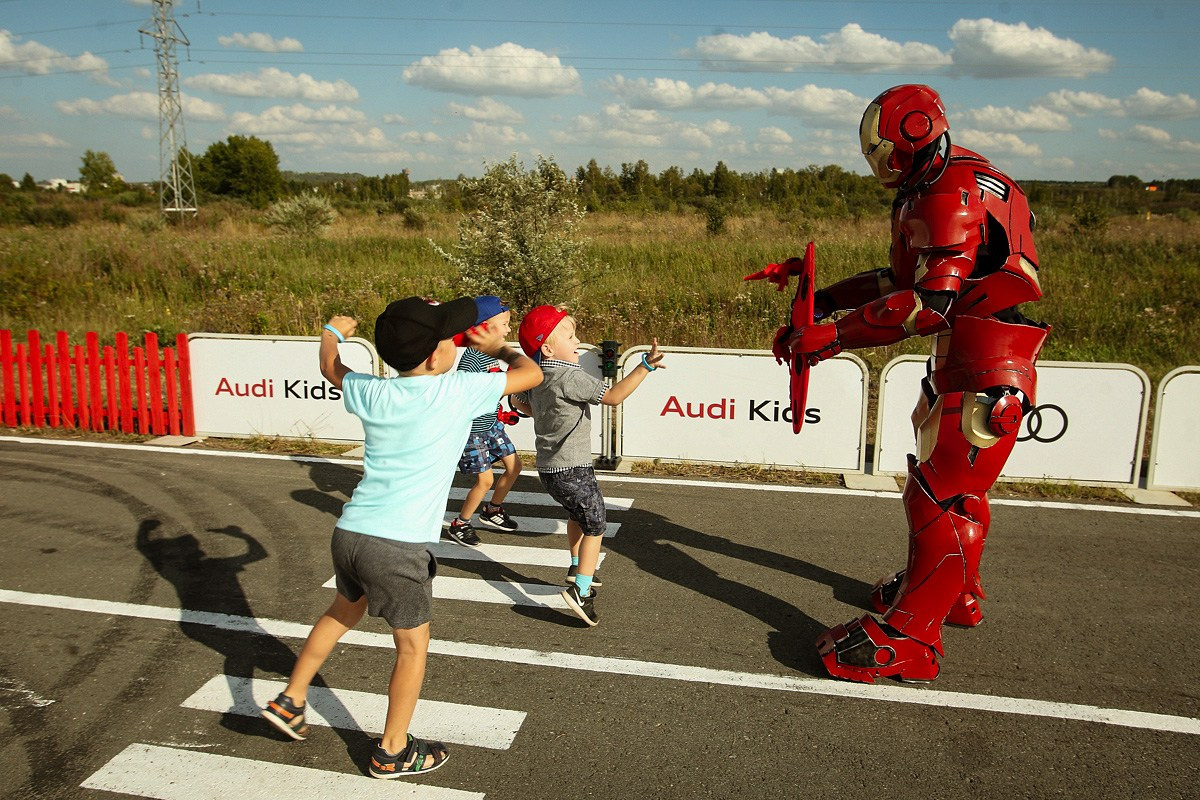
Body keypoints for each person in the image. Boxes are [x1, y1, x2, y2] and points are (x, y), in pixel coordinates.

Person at [772, 84, 1048, 682]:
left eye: (888, 153)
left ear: (917, 133)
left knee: (938, 495)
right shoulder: (951, 180)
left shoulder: (948, 192)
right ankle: (955, 594)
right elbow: (894, 280)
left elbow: (926, 304)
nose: (883, 167)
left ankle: (910, 636)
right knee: (953, 488)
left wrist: (833, 335)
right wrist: (819, 302)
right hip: (982, 351)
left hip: (985, 356)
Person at [260, 297, 542, 777]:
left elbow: (331, 364)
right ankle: (393, 750)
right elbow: (531, 374)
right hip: (398, 547)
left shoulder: (374, 391)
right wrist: (499, 347)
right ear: (435, 356)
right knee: (412, 648)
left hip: (351, 533)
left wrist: (334, 329)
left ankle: (291, 698)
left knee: (341, 613)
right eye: (450, 338)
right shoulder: (457, 391)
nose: (458, 342)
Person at [515, 305, 664, 626]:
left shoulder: (537, 376)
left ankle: (576, 565)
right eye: (571, 337)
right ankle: (581, 589)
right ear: (548, 348)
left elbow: (526, 408)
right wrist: (644, 367)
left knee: (576, 515)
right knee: (596, 523)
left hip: (549, 469)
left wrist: (515, 402)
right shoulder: (570, 377)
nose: (578, 341)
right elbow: (612, 397)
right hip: (574, 468)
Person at [446, 296, 523, 547]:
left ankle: (492, 510)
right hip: (473, 431)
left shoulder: (488, 354)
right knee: (485, 480)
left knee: (515, 466)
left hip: (491, 425)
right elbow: (466, 395)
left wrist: (499, 413)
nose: (509, 329)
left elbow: (490, 388)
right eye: (505, 323)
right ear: (485, 327)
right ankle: (461, 524)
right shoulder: (471, 360)